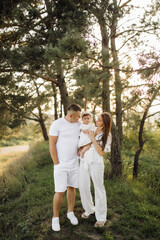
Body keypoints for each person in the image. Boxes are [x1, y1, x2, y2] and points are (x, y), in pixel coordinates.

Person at [49, 104, 81, 232]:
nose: (79, 118)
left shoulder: (78, 124)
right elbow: (52, 143)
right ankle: (55, 218)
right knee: (59, 191)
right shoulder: (57, 124)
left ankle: (70, 212)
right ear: (71, 115)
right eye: (78, 116)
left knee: (71, 187)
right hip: (60, 164)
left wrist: (81, 150)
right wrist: (56, 162)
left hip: (74, 163)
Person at [79, 112, 112, 228]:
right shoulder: (93, 128)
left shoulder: (107, 135)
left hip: (96, 162)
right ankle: (89, 209)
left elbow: (101, 152)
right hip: (85, 160)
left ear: (104, 123)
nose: (96, 121)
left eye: (99, 120)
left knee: (99, 188)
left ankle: (101, 217)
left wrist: (93, 138)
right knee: (83, 186)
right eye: (97, 119)